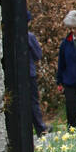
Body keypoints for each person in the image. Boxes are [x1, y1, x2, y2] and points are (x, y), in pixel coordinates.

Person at [27, 8, 48, 137]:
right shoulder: (29, 37)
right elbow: (38, 55)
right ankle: (40, 128)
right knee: (33, 101)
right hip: (29, 73)